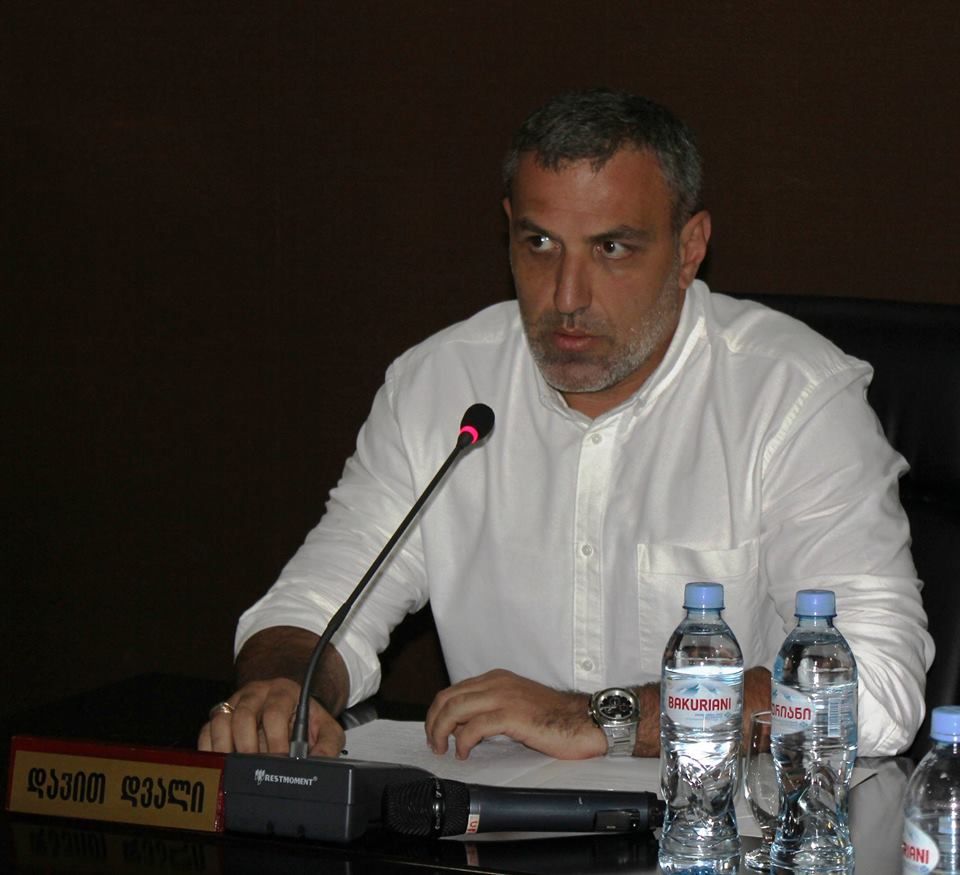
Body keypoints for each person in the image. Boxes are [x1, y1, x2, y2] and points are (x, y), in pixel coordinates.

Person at [198, 88, 933, 762]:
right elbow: (313, 609)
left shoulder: (792, 397)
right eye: (541, 245)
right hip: (491, 832)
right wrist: (282, 689)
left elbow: (877, 691)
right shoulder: (440, 387)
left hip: (717, 832)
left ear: (689, 249)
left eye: (612, 248)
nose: (567, 296)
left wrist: (601, 716)